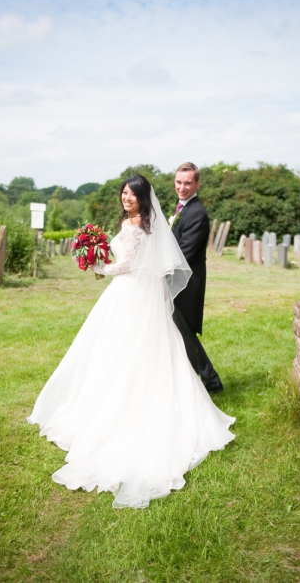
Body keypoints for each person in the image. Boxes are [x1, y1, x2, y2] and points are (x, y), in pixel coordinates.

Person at [27, 174, 235, 509]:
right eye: (123, 193)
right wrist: (97, 250)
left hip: (131, 293)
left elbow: (128, 263)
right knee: (116, 350)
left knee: (124, 350)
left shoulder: (138, 226)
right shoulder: (135, 222)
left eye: (132, 194)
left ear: (142, 198)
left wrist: (100, 265)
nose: (126, 198)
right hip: (131, 293)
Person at [170, 162, 224, 393]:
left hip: (185, 284)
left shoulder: (197, 213)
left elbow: (183, 254)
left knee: (184, 333)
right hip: (176, 280)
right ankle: (188, 379)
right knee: (178, 332)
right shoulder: (183, 207)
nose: (182, 187)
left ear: (197, 183)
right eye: (179, 182)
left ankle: (211, 381)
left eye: (188, 183)